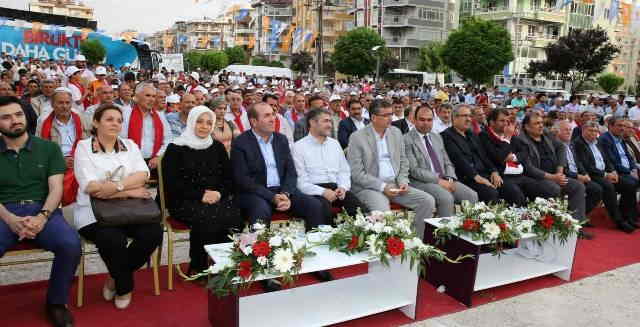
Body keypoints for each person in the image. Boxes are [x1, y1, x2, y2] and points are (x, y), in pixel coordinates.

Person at [231, 102, 331, 290]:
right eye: (267, 115)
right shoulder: (241, 142)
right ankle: (263, 269)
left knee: (315, 205)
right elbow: (242, 179)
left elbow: (291, 173)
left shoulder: (281, 139)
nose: (273, 118)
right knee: (260, 210)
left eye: (273, 114)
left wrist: (285, 193)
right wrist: (272, 197)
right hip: (254, 192)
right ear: (253, 121)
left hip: (281, 191)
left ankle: (316, 260)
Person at [0, 96, 81, 327]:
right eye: (6, 117)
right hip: (4, 212)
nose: (14, 121)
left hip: (42, 208)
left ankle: (56, 303)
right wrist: (11, 219)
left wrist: (42, 217)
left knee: (70, 244)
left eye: (18, 115)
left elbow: (56, 188)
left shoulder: (48, 148)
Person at [73, 104, 163, 309]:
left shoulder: (130, 145)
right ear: (96, 122)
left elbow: (143, 175)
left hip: (132, 211)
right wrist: (129, 190)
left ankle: (115, 277)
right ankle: (125, 286)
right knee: (112, 239)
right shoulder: (84, 147)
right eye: (109, 119)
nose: (115, 124)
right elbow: (92, 187)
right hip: (94, 214)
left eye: (119, 120)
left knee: (153, 233)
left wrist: (115, 187)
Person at [162, 106, 241, 275]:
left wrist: (218, 193)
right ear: (191, 122)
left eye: (208, 123)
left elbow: (229, 179)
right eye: (199, 121)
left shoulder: (217, 147)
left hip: (216, 196)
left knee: (233, 214)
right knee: (208, 216)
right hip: (184, 200)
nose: (204, 126)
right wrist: (201, 195)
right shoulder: (175, 148)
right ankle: (199, 265)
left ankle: (224, 263)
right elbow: (172, 184)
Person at [346, 100, 435, 238]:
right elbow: (357, 174)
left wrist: (403, 181)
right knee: (383, 212)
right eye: (386, 115)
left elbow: (403, 161)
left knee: (427, 201)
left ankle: (415, 243)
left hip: (395, 184)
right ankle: (387, 249)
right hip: (369, 187)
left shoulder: (396, 132)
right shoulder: (358, 137)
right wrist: (383, 187)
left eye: (391, 114)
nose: (391, 118)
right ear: (374, 117)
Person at [293, 108, 368, 221]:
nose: (330, 125)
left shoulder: (335, 144)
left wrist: (343, 187)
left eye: (330, 122)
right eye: (326, 121)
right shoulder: (298, 147)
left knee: (360, 211)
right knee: (324, 211)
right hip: (313, 191)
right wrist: (323, 192)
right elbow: (301, 182)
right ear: (312, 122)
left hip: (337, 189)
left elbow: (344, 171)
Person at [405, 104, 477, 218]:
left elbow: (447, 162)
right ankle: (443, 233)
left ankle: (466, 230)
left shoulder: (436, 137)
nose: (426, 123)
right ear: (414, 120)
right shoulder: (406, 139)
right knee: (446, 198)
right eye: (422, 119)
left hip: (445, 179)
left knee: (471, 195)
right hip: (421, 182)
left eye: (429, 120)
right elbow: (414, 170)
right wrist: (439, 181)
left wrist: (450, 179)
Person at [517, 112, 587, 223]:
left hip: (555, 175)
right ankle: (555, 224)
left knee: (578, 186)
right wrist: (552, 177)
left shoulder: (545, 134)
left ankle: (576, 225)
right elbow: (528, 168)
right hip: (535, 178)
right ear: (526, 127)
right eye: (536, 123)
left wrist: (559, 171)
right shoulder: (521, 140)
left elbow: (561, 147)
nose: (540, 126)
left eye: (541, 123)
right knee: (553, 188)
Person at [574, 121, 635, 233]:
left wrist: (613, 171)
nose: (593, 133)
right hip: (591, 175)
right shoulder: (578, 144)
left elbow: (607, 160)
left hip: (605, 173)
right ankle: (618, 221)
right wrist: (606, 174)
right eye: (590, 131)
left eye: (595, 131)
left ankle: (627, 217)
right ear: (583, 131)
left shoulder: (597, 142)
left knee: (630, 185)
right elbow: (587, 166)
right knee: (608, 187)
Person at [441, 105, 507, 204]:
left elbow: (484, 156)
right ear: (454, 117)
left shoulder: (472, 134)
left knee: (511, 189)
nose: (468, 119)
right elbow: (458, 160)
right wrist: (477, 177)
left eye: (470, 116)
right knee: (490, 193)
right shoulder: (446, 136)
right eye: (465, 116)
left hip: (484, 174)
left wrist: (494, 171)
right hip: (467, 177)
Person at [478, 108, 541, 206]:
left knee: (542, 189)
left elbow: (524, 149)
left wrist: (514, 157)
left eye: (507, 121)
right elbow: (498, 157)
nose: (505, 124)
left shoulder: (508, 133)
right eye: (502, 121)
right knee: (516, 195)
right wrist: (507, 139)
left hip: (519, 173)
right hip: (502, 175)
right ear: (492, 122)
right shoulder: (484, 136)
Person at [555, 120, 600, 239]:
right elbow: (561, 168)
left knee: (596, 189)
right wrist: (578, 177)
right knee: (579, 187)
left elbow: (578, 162)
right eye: (566, 130)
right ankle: (577, 226)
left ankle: (579, 216)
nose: (569, 132)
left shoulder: (570, 144)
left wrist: (584, 174)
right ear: (557, 131)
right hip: (564, 176)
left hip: (577, 175)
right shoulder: (555, 145)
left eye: (570, 129)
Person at [120, 83, 172, 176]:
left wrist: (158, 157)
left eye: (153, 96)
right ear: (136, 97)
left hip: (154, 162)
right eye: (147, 95)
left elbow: (168, 140)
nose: (151, 99)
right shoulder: (125, 114)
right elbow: (121, 139)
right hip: (130, 161)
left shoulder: (160, 116)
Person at [598, 117, 640, 230]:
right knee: (631, 184)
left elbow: (628, 157)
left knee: (634, 182)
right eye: (619, 125)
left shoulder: (620, 138)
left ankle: (629, 216)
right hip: (614, 171)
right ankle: (623, 218)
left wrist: (633, 169)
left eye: (623, 126)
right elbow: (611, 161)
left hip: (626, 170)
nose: (622, 128)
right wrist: (629, 172)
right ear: (610, 126)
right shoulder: (605, 139)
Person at [36, 87, 90, 169]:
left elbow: (89, 141)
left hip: (81, 160)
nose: (64, 106)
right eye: (60, 103)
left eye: (67, 103)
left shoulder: (80, 118)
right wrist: (61, 160)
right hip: (55, 163)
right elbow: (40, 149)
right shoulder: (43, 121)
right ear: (52, 104)